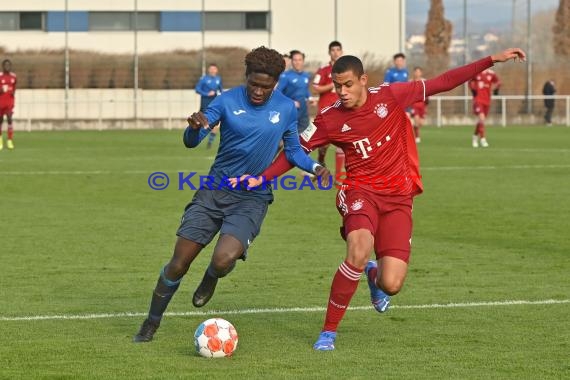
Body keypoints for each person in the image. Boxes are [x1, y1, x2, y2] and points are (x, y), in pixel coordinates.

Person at [238, 48, 526, 351]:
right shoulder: (329, 118)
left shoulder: (391, 96)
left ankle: (374, 276)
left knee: (392, 284)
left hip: (399, 198)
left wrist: (491, 60)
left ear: (363, 80)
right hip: (359, 191)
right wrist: (262, 177)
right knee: (358, 249)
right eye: (337, 86)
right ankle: (328, 332)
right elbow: (294, 152)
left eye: (348, 85)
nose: (342, 92)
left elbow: (444, 81)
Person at [132, 46, 330, 343]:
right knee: (178, 263)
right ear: (246, 76)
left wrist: (315, 167)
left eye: (266, 86)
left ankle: (211, 276)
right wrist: (193, 129)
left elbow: (291, 152)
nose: (259, 91)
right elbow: (193, 140)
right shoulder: (225, 100)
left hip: (252, 197)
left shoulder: (288, 108)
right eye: (254, 83)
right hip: (213, 192)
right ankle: (151, 322)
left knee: (224, 259)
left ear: (276, 83)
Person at [312, 41, 344, 177]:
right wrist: (331, 85)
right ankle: (321, 160)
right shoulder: (323, 70)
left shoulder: (347, 69)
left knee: (342, 144)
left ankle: (338, 176)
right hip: (326, 111)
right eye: (333, 50)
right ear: (329, 52)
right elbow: (315, 87)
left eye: (338, 50)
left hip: (343, 111)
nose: (335, 52)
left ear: (341, 52)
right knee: (324, 145)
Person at [276, 50, 311, 134]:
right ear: (291, 61)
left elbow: (305, 90)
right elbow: (277, 93)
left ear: (303, 61)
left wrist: (309, 97)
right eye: (295, 60)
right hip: (290, 111)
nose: (297, 62)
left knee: (306, 137)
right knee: (288, 138)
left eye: (299, 60)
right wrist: (291, 102)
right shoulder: (285, 76)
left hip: (304, 112)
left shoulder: (306, 75)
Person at [469, 68, 500, 148]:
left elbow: (498, 82)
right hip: (478, 100)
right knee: (481, 119)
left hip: (487, 101)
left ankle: (475, 137)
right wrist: (473, 90)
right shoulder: (477, 72)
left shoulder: (491, 73)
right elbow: (470, 81)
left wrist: (496, 89)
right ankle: (483, 139)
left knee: (481, 121)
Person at [195, 63, 223, 149]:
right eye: (211, 69)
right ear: (208, 70)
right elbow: (197, 89)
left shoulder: (218, 79)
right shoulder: (203, 79)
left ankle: (210, 142)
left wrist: (221, 95)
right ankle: (196, 138)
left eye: (214, 69)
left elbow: (220, 90)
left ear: (216, 70)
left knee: (216, 123)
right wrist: (207, 93)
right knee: (202, 122)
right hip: (205, 103)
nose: (213, 70)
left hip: (215, 104)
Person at [0, 59, 17, 151]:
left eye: (9, 65)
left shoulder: (13, 77)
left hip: (9, 102)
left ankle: (10, 140)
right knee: (0, 120)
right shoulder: (0, 76)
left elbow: (14, 86)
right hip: (0, 102)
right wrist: (1, 90)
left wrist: (13, 93)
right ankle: (0, 140)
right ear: (3, 66)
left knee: (10, 118)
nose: (7, 67)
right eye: (5, 65)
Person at [410, 66, 429, 143]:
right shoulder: (410, 81)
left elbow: (428, 93)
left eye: (419, 72)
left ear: (421, 73)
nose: (417, 73)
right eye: (416, 72)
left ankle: (413, 129)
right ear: (414, 73)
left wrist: (426, 105)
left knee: (421, 123)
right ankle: (417, 137)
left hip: (422, 105)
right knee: (416, 120)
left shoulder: (425, 81)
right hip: (414, 104)